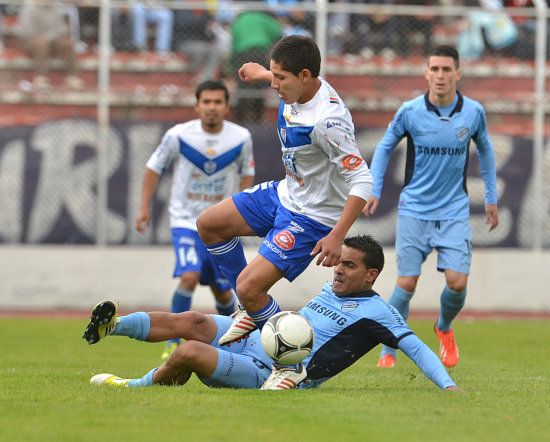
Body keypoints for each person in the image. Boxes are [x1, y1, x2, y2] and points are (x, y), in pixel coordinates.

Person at [195, 36, 374, 386]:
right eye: (273, 75)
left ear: (304, 76)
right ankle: (250, 307)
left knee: (249, 287)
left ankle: (292, 364)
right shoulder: (296, 87)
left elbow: (363, 179)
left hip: (311, 217)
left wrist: (336, 235)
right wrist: (262, 72)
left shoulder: (327, 121)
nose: (274, 85)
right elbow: (281, 77)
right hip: (286, 193)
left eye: (280, 78)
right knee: (210, 225)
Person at [83, 235, 459, 391]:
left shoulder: (380, 313)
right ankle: (111, 326)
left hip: (276, 371)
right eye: (338, 263)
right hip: (256, 338)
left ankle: (132, 387)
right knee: (192, 322)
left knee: (189, 351)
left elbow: (419, 349)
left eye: (348, 266)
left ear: (371, 274)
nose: (337, 270)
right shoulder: (332, 288)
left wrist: (449, 386)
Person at [364, 45, 499, 369]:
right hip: (414, 209)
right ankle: (390, 346)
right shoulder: (410, 111)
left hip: (453, 209)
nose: (440, 75)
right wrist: (375, 188)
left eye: (446, 69)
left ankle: (444, 327)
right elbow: (384, 147)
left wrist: (491, 197)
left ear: (457, 73)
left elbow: (486, 150)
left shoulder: (473, 112)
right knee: (406, 283)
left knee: (457, 282)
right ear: (426, 73)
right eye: (434, 69)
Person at [135, 80, 255, 360]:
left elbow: (246, 175)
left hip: (220, 225)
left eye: (217, 102)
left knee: (224, 292)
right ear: (197, 105)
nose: (212, 107)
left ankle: (231, 342)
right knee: (189, 275)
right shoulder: (178, 135)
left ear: (227, 106)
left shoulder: (241, 137)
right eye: (207, 102)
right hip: (186, 221)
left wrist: (244, 214)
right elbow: (154, 167)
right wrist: (144, 207)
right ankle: (174, 341)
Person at [15, 0, 85, 91]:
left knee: (68, 43)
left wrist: (48, 36)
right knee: (41, 43)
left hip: (52, 39)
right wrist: (44, 37)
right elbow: (27, 31)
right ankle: (40, 78)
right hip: (31, 41)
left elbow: (61, 29)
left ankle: (72, 77)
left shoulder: (55, 8)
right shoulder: (29, 8)